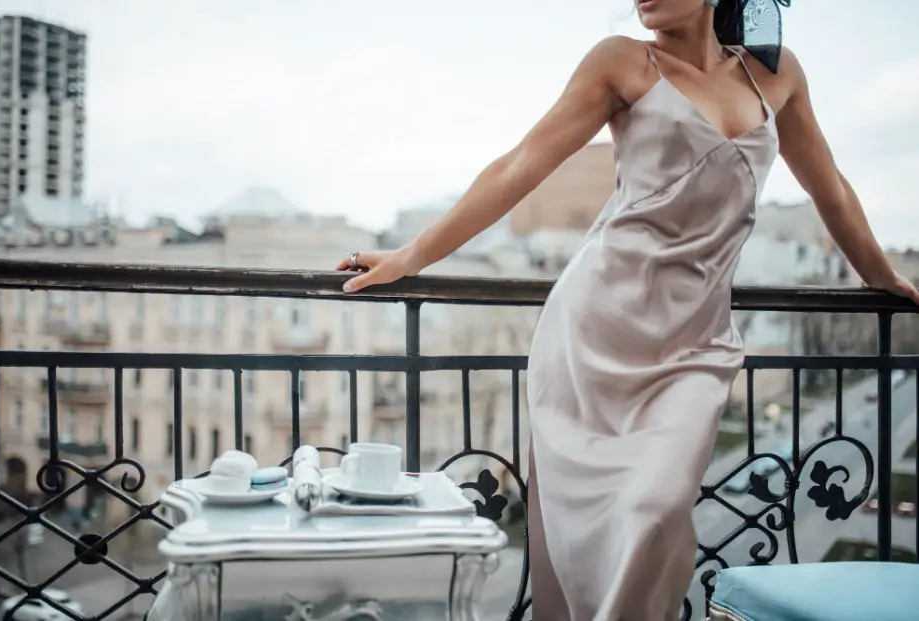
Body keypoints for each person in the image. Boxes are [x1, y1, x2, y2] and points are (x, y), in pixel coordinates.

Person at [337, 0, 919, 618]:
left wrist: (885, 277)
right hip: (594, 333)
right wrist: (412, 257)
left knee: (657, 508)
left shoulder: (777, 75)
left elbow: (829, 186)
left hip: (697, 345)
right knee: (599, 533)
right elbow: (520, 165)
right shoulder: (622, 62)